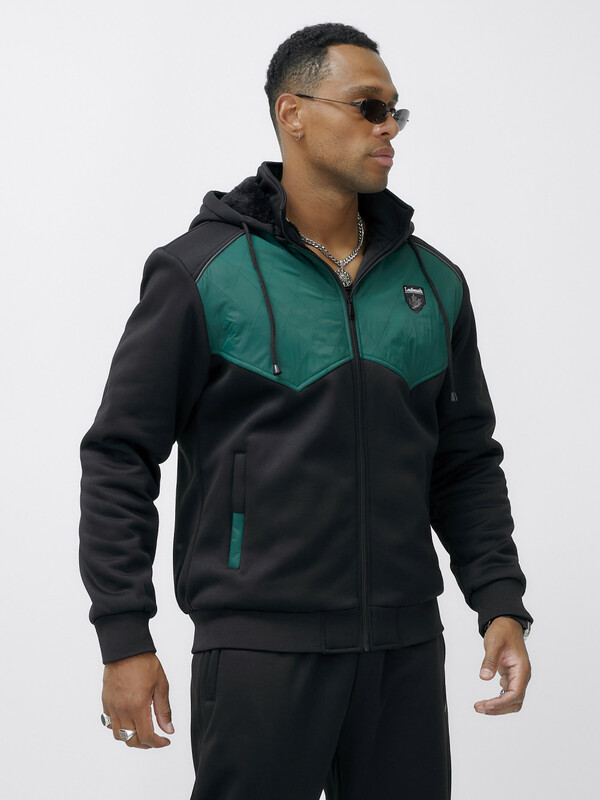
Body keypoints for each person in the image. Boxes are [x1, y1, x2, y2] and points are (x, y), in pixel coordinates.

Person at [79, 22, 533, 800]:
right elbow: (120, 453)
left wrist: (499, 603)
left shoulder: (435, 283)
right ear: (293, 114)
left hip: (403, 654)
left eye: (394, 111)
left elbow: (464, 461)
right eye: (368, 107)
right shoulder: (201, 272)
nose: (388, 128)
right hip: (259, 654)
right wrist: (124, 635)